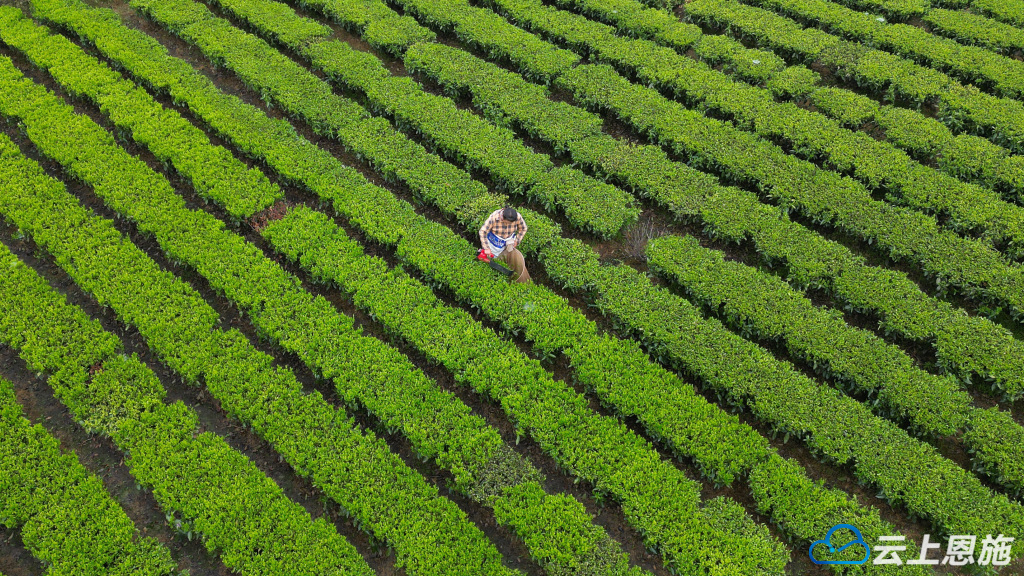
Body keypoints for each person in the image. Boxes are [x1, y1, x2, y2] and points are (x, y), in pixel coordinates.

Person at [478, 207, 530, 283]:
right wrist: (486, 248)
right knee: (494, 259)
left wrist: (517, 240)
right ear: (503, 218)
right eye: (508, 223)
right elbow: (482, 231)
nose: (509, 225)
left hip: (509, 241)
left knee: (508, 257)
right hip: (495, 243)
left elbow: (523, 228)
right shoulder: (494, 217)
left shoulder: (517, 216)